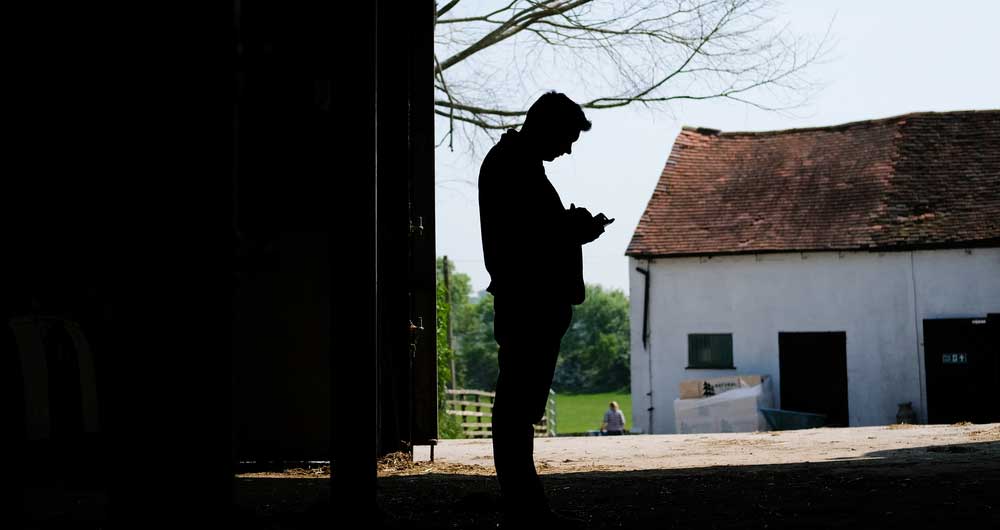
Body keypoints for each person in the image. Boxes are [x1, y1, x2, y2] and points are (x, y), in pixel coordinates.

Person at [479, 91, 612, 528]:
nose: (569, 148)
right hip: (529, 302)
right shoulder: (515, 169)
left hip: (529, 300)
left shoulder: (513, 165)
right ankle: (524, 505)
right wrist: (575, 228)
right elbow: (531, 238)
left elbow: (530, 230)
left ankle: (523, 500)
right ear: (548, 127)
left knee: (519, 402)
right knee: (518, 403)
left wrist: (566, 226)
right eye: (568, 137)